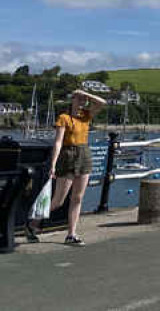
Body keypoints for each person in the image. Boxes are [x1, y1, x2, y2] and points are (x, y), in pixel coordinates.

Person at [34, 90, 105, 245]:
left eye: (84, 99)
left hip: (84, 154)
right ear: (72, 99)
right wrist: (53, 164)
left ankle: (71, 234)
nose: (82, 101)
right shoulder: (64, 118)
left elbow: (102, 103)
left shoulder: (86, 115)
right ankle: (32, 223)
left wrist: (85, 93)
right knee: (58, 200)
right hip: (68, 155)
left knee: (78, 198)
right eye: (79, 98)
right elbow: (58, 142)